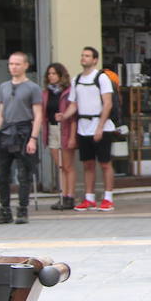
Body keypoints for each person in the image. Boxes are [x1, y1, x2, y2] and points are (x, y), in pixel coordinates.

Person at [0, 52, 44, 225]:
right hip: (5, 132)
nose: (13, 67)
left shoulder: (33, 88)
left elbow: (38, 114)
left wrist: (33, 138)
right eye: (11, 64)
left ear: (26, 65)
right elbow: (1, 111)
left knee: (23, 174)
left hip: (23, 131)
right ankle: (4, 210)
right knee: (1, 174)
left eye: (17, 64)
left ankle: (22, 210)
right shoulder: (4, 86)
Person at [61, 46, 117, 212]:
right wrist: (64, 116)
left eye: (87, 56)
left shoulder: (102, 78)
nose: (83, 58)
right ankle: (89, 198)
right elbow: (74, 104)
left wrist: (100, 127)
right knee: (87, 164)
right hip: (83, 127)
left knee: (105, 163)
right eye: (82, 55)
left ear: (95, 60)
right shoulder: (76, 79)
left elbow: (108, 103)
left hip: (101, 126)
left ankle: (108, 198)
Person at [42, 62, 77, 211]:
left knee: (68, 165)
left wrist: (72, 136)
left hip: (66, 129)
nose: (51, 76)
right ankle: (63, 195)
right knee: (60, 165)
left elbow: (74, 116)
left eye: (54, 74)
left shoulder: (68, 92)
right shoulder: (46, 93)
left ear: (61, 75)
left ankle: (70, 196)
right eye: (49, 74)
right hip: (52, 129)